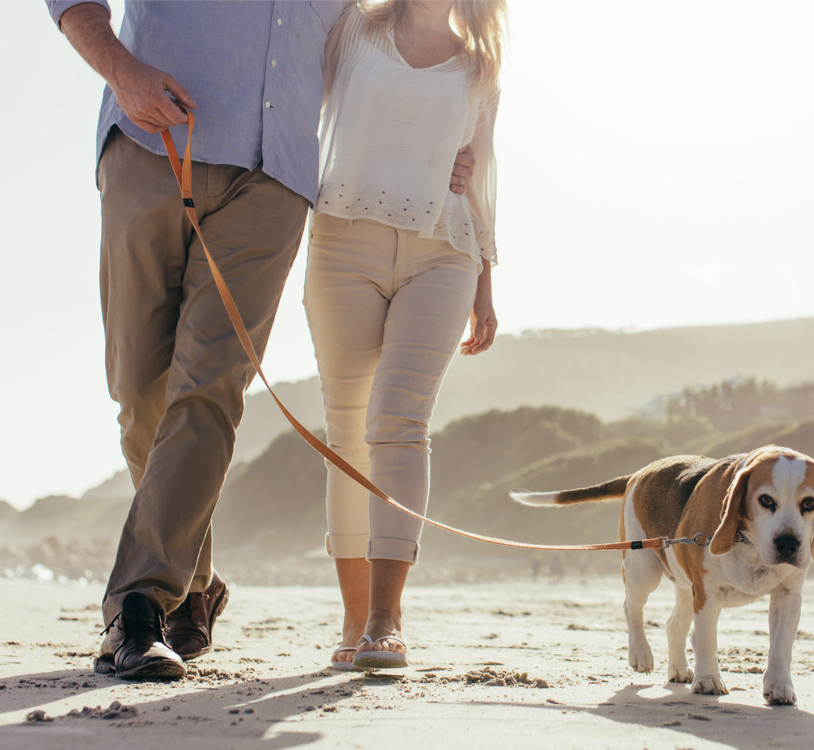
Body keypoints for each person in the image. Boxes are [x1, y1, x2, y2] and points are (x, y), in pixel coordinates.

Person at [46, 0, 474, 682]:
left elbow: (381, 67)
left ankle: (138, 608)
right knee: (139, 393)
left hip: (275, 180)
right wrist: (121, 70)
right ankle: (194, 582)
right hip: (152, 147)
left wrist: (440, 151)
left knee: (210, 385)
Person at [304, 0, 505, 670]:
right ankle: (355, 618)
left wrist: (485, 281)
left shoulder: (480, 64)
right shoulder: (352, 29)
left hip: (444, 249)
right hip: (343, 240)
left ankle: (387, 621)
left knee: (401, 421)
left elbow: (482, 171)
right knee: (349, 431)